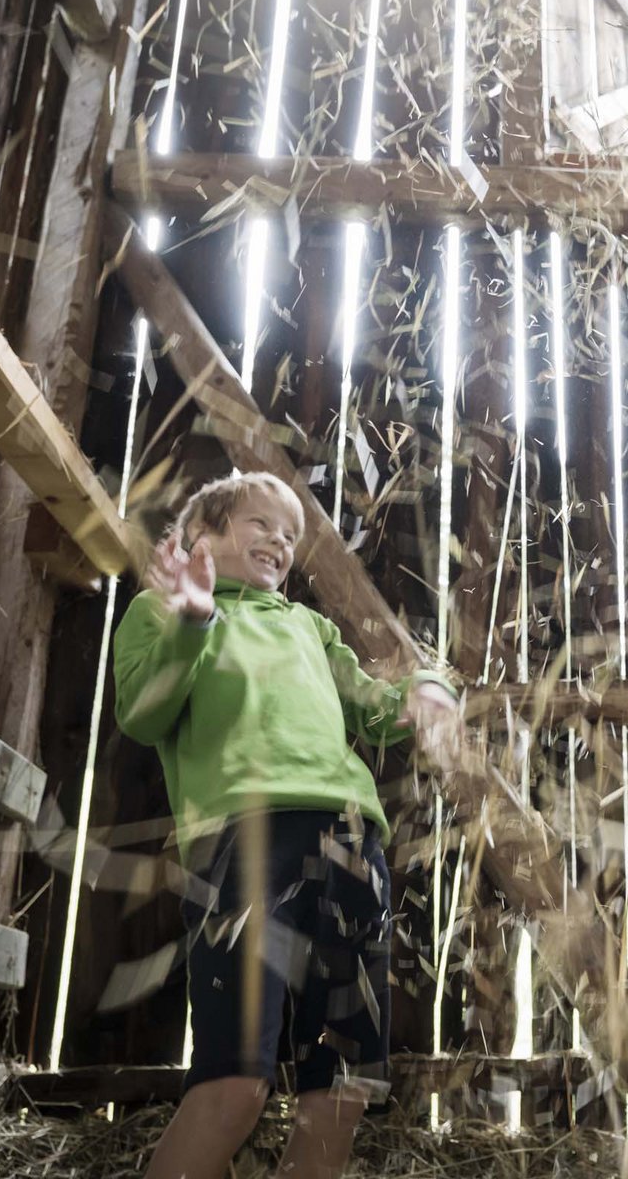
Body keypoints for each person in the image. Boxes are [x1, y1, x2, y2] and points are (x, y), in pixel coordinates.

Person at [113, 471, 458, 1179]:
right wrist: (193, 621)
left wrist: (429, 689)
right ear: (199, 535)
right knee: (234, 1085)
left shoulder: (309, 628)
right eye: (260, 523)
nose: (280, 541)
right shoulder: (164, 611)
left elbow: (373, 703)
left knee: (340, 1090)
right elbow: (141, 713)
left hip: (351, 843)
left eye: (291, 535)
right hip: (244, 841)